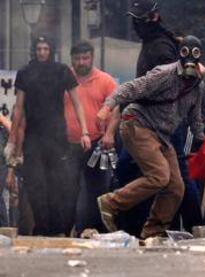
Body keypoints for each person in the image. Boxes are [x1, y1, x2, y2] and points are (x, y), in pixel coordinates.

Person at [96, 35, 205, 239]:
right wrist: (106, 107)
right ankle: (111, 202)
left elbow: (195, 116)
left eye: (194, 55)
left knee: (176, 187)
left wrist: (201, 139)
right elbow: (130, 88)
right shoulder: (164, 74)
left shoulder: (197, 85)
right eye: (185, 53)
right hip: (138, 124)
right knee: (159, 176)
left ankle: (153, 231)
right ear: (179, 56)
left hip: (162, 135)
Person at [5, 36, 90, 236]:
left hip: (57, 137)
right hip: (33, 138)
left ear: (51, 50)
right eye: (39, 48)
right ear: (34, 50)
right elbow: (18, 108)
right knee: (35, 185)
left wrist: (84, 131)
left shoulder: (62, 71)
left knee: (58, 183)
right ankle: (42, 227)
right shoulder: (25, 73)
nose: (42, 52)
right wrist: (12, 138)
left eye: (45, 48)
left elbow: (77, 103)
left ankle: (57, 229)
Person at [64, 41, 117, 235]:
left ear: (92, 57)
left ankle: (94, 230)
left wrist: (110, 134)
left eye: (85, 58)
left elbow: (117, 108)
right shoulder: (65, 78)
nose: (81, 62)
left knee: (97, 190)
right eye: (77, 58)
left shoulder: (105, 80)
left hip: (96, 143)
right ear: (72, 59)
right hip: (68, 144)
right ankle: (65, 230)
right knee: (68, 189)